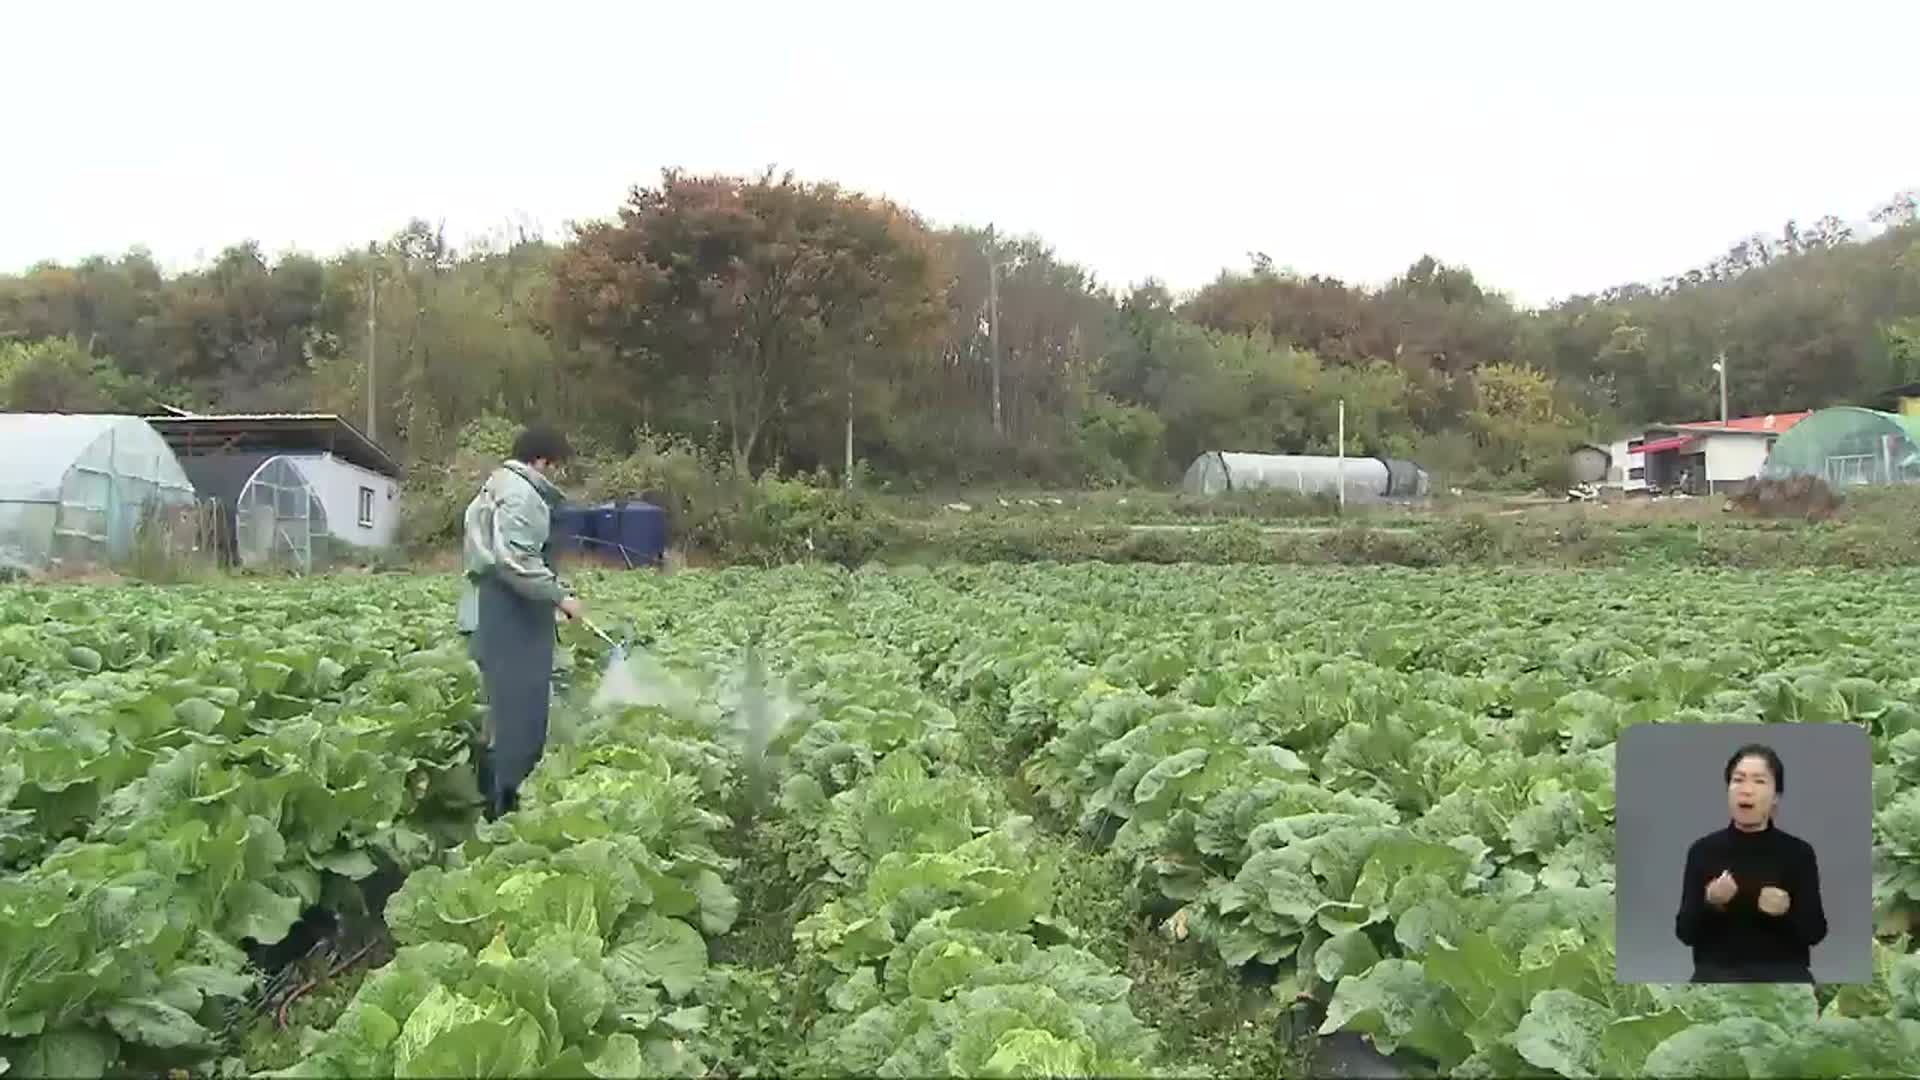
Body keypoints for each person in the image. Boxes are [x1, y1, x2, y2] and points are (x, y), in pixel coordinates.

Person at [457, 425, 583, 820]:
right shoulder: (522, 495)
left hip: (486, 611)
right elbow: (515, 562)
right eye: (557, 467)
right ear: (542, 461)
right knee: (520, 723)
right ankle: (508, 813)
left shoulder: (494, 485)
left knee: (498, 716)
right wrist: (560, 596)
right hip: (509, 619)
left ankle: (490, 804)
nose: (557, 476)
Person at [1673, 743, 1828, 983]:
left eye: (1759, 781)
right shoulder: (1703, 851)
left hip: (1783, 984)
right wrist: (1710, 902)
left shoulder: (1798, 853)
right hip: (1718, 980)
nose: (1746, 790)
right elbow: (1685, 933)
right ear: (1728, 790)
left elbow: (1816, 932)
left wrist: (1788, 911)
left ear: (1776, 796)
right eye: (1738, 780)